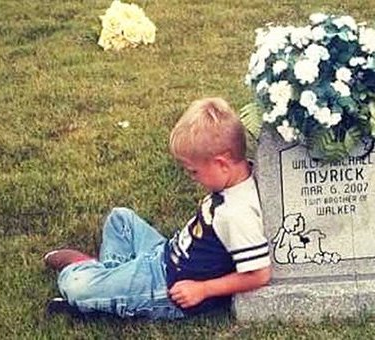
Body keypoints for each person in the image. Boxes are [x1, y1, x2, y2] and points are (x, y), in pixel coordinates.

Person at [44, 97, 271, 319]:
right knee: (120, 219)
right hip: (163, 255)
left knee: (77, 288)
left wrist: (202, 289)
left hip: (166, 287)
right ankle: (108, 283)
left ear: (221, 163)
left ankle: (82, 267)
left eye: (194, 171)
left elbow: (258, 275)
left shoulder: (236, 214)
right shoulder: (237, 177)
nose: (191, 177)